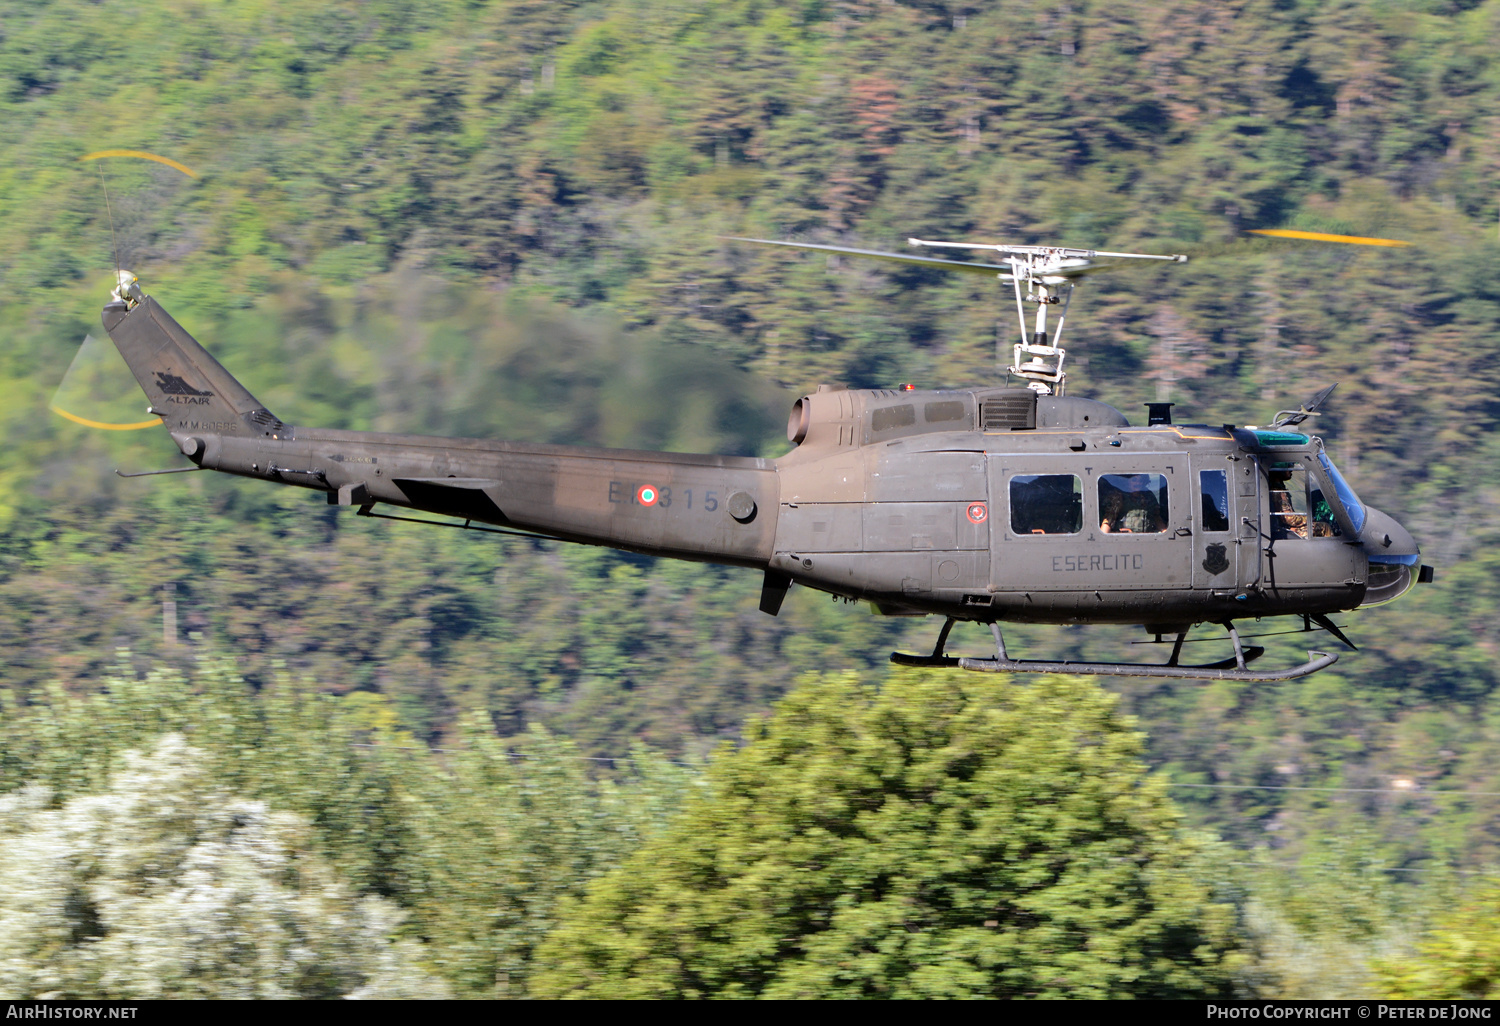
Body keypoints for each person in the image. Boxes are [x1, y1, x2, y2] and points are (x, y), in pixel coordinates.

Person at [1100, 474, 1165, 533]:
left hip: (1145, 538)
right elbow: (1109, 519)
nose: (1138, 483)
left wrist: (1164, 531)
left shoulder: (1149, 496)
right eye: (1134, 480)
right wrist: (1102, 537)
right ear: (1127, 482)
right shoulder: (1119, 497)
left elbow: (1156, 517)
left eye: (1140, 481)